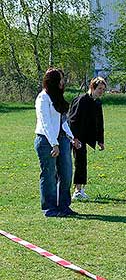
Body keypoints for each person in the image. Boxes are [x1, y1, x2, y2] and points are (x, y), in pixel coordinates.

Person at [34, 68, 81, 217]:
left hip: (62, 139)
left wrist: (72, 137)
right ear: (54, 81)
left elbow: (63, 121)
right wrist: (54, 144)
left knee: (66, 173)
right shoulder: (43, 98)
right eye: (61, 79)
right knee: (49, 175)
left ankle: (64, 207)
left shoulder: (57, 97)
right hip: (46, 141)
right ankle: (50, 209)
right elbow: (46, 122)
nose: (63, 82)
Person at [68, 77, 107, 199]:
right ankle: (63, 191)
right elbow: (72, 120)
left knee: (81, 162)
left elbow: (99, 122)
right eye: (99, 88)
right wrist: (74, 138)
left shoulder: (97, 102)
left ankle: (78, 190)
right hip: (72, 137)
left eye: (103, 89)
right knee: (65, 163)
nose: (101, 91)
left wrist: (100, 140)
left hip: (83, 138)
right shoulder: (81, 100)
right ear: (92, 87)